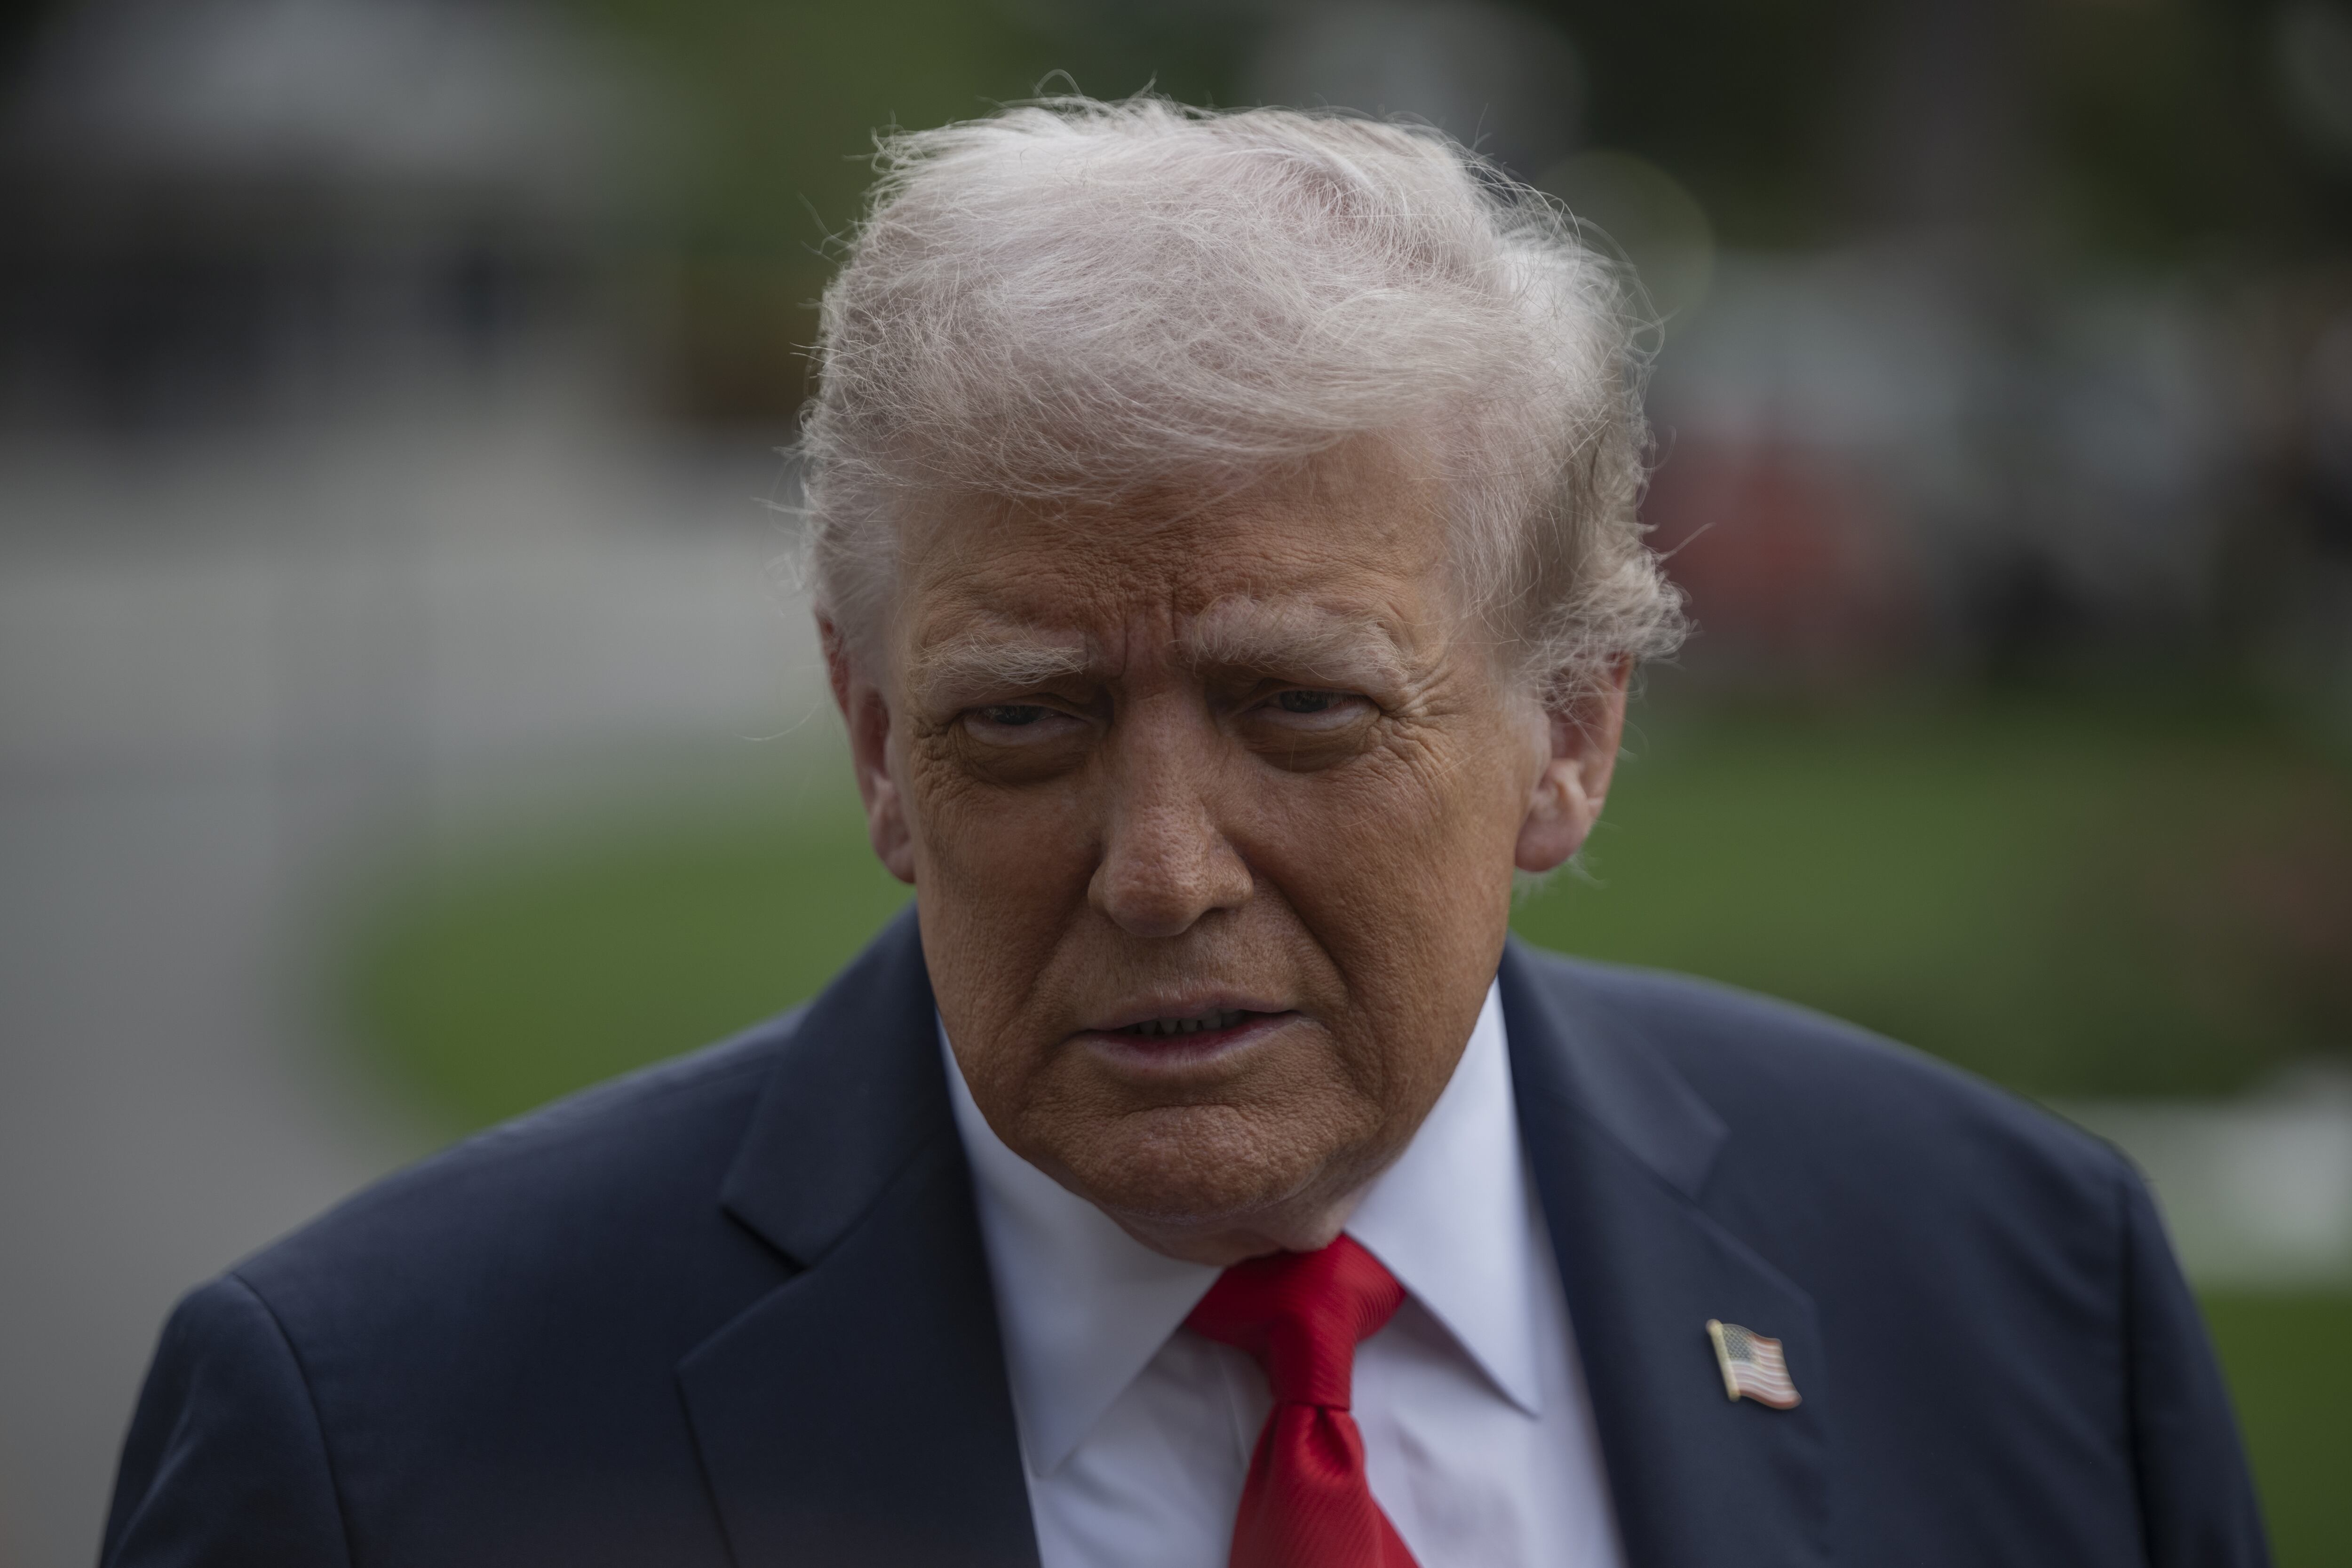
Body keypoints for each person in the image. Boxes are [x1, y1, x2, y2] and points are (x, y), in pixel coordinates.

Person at [103, 97, 2266, 1568]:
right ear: (874, 745)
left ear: (1572, 734)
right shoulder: (373, 1443)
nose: (1157, 869)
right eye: (1021, 722)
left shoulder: (2015, 1290)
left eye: (1297, 708)